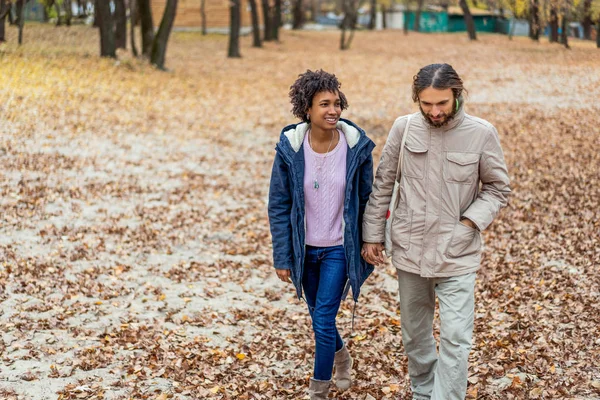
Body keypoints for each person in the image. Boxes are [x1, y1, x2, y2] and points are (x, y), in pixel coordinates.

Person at [361, 63, 511, 400]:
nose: (435, 111)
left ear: (457, 94)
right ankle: (424, 392)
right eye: (426, 104)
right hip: (411, 250)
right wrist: (372, 234)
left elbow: (498, 189)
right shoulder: (404, 129)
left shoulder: (482, 133)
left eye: (442, 103)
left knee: (456, 338)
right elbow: (384, 182)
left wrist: (468, 224)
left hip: (458, 254)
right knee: (416, 336)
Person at [268, 69, 375, 399]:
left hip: (339, 249)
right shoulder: (292, 148)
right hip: (305, 250)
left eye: (337, 103)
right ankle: (341, 355)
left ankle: (319, 389)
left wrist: (371, 240)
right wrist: (283, 256)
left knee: (323, 319)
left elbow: (369, 198)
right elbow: (279, 204)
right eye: (324, 104)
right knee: (321, 319)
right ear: (308, 110)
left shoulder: (356, 147)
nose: (333, 110)